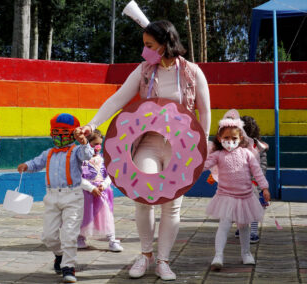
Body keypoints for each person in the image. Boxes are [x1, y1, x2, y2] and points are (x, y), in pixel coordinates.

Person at [75, 20, 211, 281]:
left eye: (149, 45)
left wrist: (200, 150)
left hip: (180, 150)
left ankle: (163, 261)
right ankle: (145, 255)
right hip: (147, 143)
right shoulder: (145, 70)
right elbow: (117, 99)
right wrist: (92, 123)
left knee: (172, 206)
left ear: (165, 44)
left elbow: (204, 111)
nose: (144, 50)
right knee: (143, 196)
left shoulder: (193, 72)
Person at [17, 113, 93, 284]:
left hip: (72, 196)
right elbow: (36, 163)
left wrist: (83, 141)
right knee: (48, 236)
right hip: (51, 197)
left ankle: (68, 266)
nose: (59, 135)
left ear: (73, 133)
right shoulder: (49, 153)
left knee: (69, 234)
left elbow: (87, 154)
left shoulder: (76, 151)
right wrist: (26, 166)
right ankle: (59, 255)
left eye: (64, 132)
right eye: (56, 131)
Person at [203, 110, 270, 271]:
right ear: (220, 138)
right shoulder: (218, 155)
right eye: (226, 138)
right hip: (226, 196)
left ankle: (246, 253)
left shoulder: (247, 153)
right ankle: (218, 255)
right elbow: (204, 165)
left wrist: (265, 188)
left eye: (234, 138)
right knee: (224, 225)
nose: (230, 141)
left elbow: (258, 172)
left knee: (244, 226)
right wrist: (191, 169)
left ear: (241, 138)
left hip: (245, 197)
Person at [78, 129, 123, 252]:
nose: (97, 148)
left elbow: (110, 175)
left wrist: (104, 184)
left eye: (99, 145)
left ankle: (112, 239)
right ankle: (80, 237)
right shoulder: (81, 160)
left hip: (103, 192)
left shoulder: (104, 159)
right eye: (94, 145)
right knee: (85, 215)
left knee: (106, 215)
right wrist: (90, 187)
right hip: (87, 193)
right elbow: (77, 177)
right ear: (86, 144)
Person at [233, 116, 269, 243]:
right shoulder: (236, 145)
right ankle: (242, 228)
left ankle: (253, 232)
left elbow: (262, 165)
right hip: (241, 182)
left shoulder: (258, 147)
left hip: (254, 183)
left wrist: (257, 180)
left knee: (253, 208)